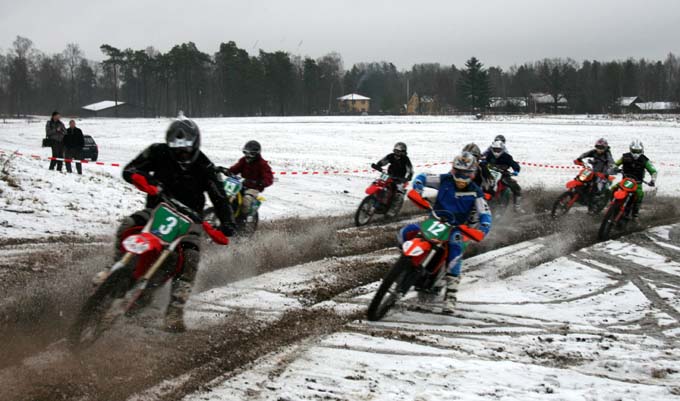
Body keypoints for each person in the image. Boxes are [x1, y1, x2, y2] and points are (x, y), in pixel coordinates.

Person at [110, 118, 235, 332]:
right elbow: (131, 170)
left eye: (185, 149)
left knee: (191, 256)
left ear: (194, 145)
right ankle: (116, 269)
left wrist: (227, 223)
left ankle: (176, 309)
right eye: (176, 149)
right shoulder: (157, 152)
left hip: (190, 220)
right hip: (157, 210)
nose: (181, 154)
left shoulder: (205, 166)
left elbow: (220, 197)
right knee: (128, 224)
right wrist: (142, 180)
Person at [399, 152, 492, 314]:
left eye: (466, 174)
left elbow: (485, 214)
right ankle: (404, 264)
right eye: (458, 172)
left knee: (455, 248)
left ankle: (450, 295)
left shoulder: (476, 192)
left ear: (473, 174)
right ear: (453, 170)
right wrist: (418, 188)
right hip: (435, 221)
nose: (461, 177)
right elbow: (422, 176)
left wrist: (482, 228)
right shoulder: (444, 180)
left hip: (457, 229)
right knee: (405, 232)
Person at [225, 140, 274, 225]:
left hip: (253, 188)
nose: (248, 156)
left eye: (251, 154)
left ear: (257, 154)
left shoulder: (262, 164)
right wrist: (226, 171)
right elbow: (234, 169)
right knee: (227, 195)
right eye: (245, 153)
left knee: (246, 201)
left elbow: (269, 178)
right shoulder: (243, 160)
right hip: (241, 184)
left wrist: (260, 182)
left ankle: (242, 221)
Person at [612, 139, 657, 220]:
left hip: (637, 183)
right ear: (630, 149)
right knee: (612, 188)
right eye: (634, 151)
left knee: (640, 195)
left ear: (641, 150)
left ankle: (635, 214)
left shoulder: (645, 160)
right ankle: (612, 205)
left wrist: (653, 180)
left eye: (638, 151)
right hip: (625, 181)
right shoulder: (625, 157)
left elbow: (653, 171)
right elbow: (615, 164)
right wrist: (614, 168)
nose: (636, 153)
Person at [371, 142, 413, 217]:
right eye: (395, 151)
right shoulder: (390, 156)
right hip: (389, 175)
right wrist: (378, 165)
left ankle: (393, 210)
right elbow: (383, 161)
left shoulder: (406, 159)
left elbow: (410, 170)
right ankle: (372, 199)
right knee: (377, 182)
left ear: (403, 152)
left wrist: (408, 177)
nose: (396, 153)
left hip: (400, 179)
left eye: (398, 152)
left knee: (399, 193)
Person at [573, 138, 615, 213]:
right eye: (598, 147)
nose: (599, 149)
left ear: (605, 148)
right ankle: (576, 193)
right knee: (579, 178)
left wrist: (609, 169)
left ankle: (592, 208)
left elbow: (611, 163)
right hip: (593, 172)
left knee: (595, 189)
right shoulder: (594, 152)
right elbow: (586, 154)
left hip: (603, 175)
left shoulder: (607, 154)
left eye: (601, 148)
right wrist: (579, 159)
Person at [482, 140, 523, 212]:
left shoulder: (507, 157)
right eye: (495, 149)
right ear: (492, 149)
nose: (496, 151)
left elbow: (514, 164)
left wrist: (516, 170)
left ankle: (517, 206)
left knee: (516, 187)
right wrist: (483, 163)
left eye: (498, 150)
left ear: (502, 149)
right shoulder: (489, 155)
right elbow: (484, 162)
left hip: (503, 175)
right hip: (490, 174)